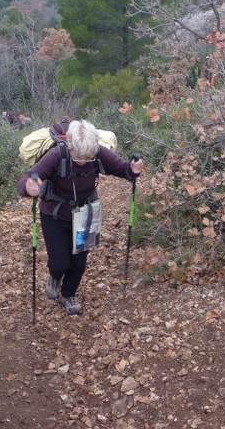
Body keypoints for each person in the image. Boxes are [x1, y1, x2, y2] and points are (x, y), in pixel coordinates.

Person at [17, 120, 144, 315]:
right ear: (70, 146)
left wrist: (132, 170)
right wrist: (28, 186)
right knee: (60, 262)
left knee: (79, 263)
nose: (83, 161)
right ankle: (54, 275)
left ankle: (68, 295)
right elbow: (29, 176)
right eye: (78, 156)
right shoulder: (57, 155)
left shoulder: (98, 152)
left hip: (86, 213)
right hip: (55, 214)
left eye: (87, 157)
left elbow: (122, 169)